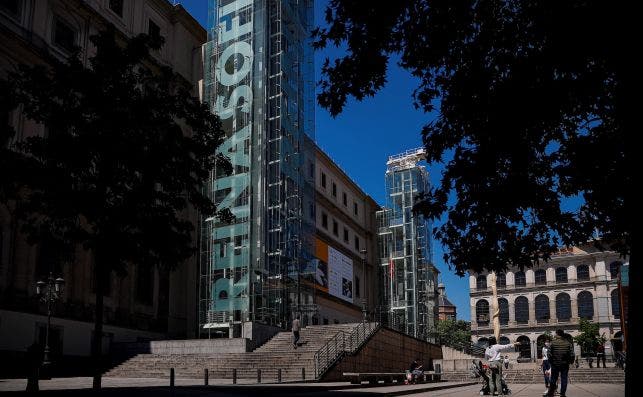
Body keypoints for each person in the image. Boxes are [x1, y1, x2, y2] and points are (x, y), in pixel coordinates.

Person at [544, 329, 574, 397]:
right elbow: (572, 354)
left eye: (555, 333)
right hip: (565, 364)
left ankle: (551, 393)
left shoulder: (552, 343)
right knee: (564, 379)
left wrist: (551, 362)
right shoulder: (568, 343)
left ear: (557, 334)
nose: (554, 335)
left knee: (553, 379)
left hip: (555, 364)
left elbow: (549, 354)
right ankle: (562, 394)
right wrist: (571, 361)